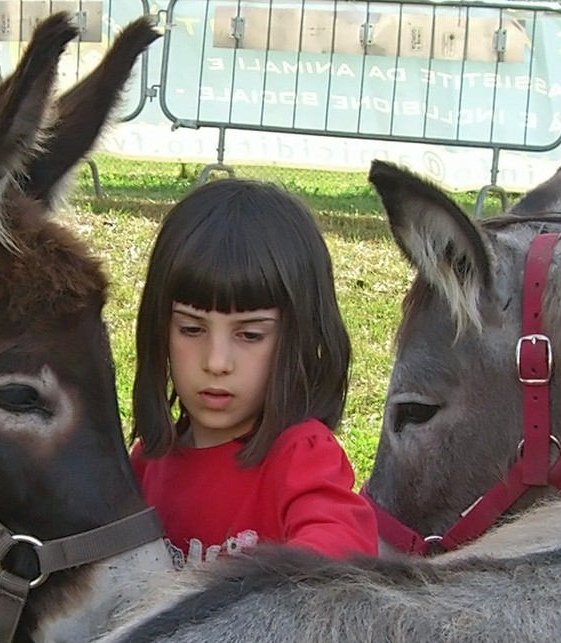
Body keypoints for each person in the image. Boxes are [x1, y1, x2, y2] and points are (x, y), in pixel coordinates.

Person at [130, 178, 378, 566]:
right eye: (191, 329)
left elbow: (341, 553)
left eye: (249, 334)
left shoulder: (301, 457)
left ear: (299, 337)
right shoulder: (146, 463)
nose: (216, 361)